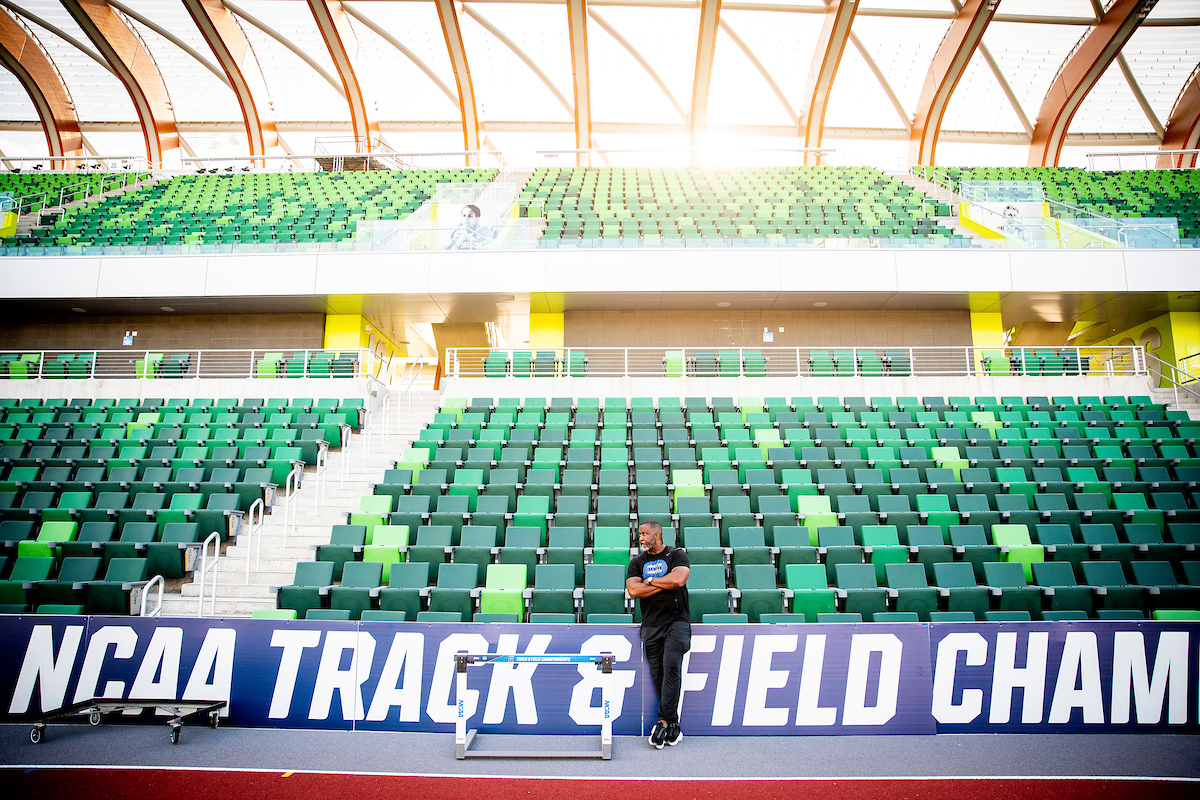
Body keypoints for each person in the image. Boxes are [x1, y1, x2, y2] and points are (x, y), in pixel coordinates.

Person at [626, 519, 691, 749]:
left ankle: (663, 721)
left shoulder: (676, 555)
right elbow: (634, 590)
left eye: (644, 534)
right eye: (639, 534)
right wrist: (666, 584)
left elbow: (680, 579)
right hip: (651, 625)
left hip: (677, 622)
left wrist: (651, 581)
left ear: (658, 534)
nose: (640, 538)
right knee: (659, 674)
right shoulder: (637, 562)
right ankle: (673, 724)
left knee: (671, 667)